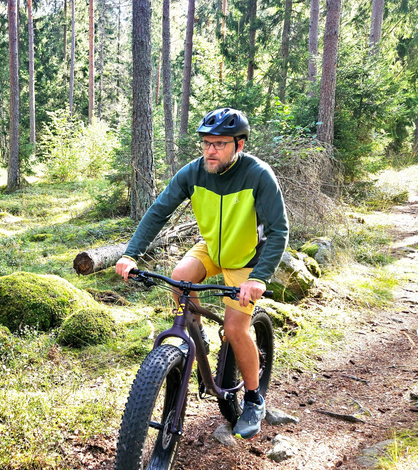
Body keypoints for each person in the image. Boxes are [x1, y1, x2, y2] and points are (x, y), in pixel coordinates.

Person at [115, 107, 289, 440]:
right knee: (180, 278)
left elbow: (278, 230)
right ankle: (196, 335)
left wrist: (259, 278)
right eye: (207, 143)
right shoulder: (193, 173)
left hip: (245, 260)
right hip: (211, 249)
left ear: (238, 145)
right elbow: (158, 211)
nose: (210, 150)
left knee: (236, 329)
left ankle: (253, 399)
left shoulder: (258, 175)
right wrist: (130, 253)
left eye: (220, 144)